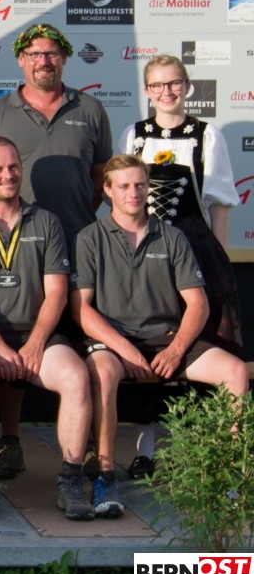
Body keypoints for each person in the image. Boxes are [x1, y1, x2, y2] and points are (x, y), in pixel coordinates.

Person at [0, 23, 112, 480]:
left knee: (84, 345)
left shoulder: (90, 109)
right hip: (15, 246)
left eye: (51, 54)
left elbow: (99, 178)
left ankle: (89, 448)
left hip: (77, 242)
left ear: (64, 58)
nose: (43, 61)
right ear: (20, 60)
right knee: (17, 333)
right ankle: (10, 440)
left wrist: (74, 217)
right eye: (34, 54)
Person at [70, 155, 249, 518]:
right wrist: (125, 350)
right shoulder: (89, 237)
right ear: (107, 191)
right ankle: (105, 476)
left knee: (235, 371)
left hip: (166, 339)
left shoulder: (171, 235)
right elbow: (81, 310)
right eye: (124, 186)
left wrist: (177, 349)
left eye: (140, 185)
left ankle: (228, 477)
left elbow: (197, 304)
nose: (133, 193)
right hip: (113, 341)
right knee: (103, 372)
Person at [0, 137, 95, 521]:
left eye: (13, 166)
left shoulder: (46, 221)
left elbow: (57, 293)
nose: (7, 175)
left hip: (36, 334)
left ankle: (71, 479)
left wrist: (35, 343)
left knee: (76, 376)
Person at [118, 55, 243, 479]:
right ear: (147, 90)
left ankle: (212, 450)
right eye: (157, 85)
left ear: (186, 86)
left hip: (193, 248)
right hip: (144, 250)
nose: (166, 91)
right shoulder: (134, 135)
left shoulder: (207, 135)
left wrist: (217, 264)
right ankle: (146, 451)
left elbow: (219, 206)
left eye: (174, 83)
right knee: (150, 341)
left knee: (200, 345)